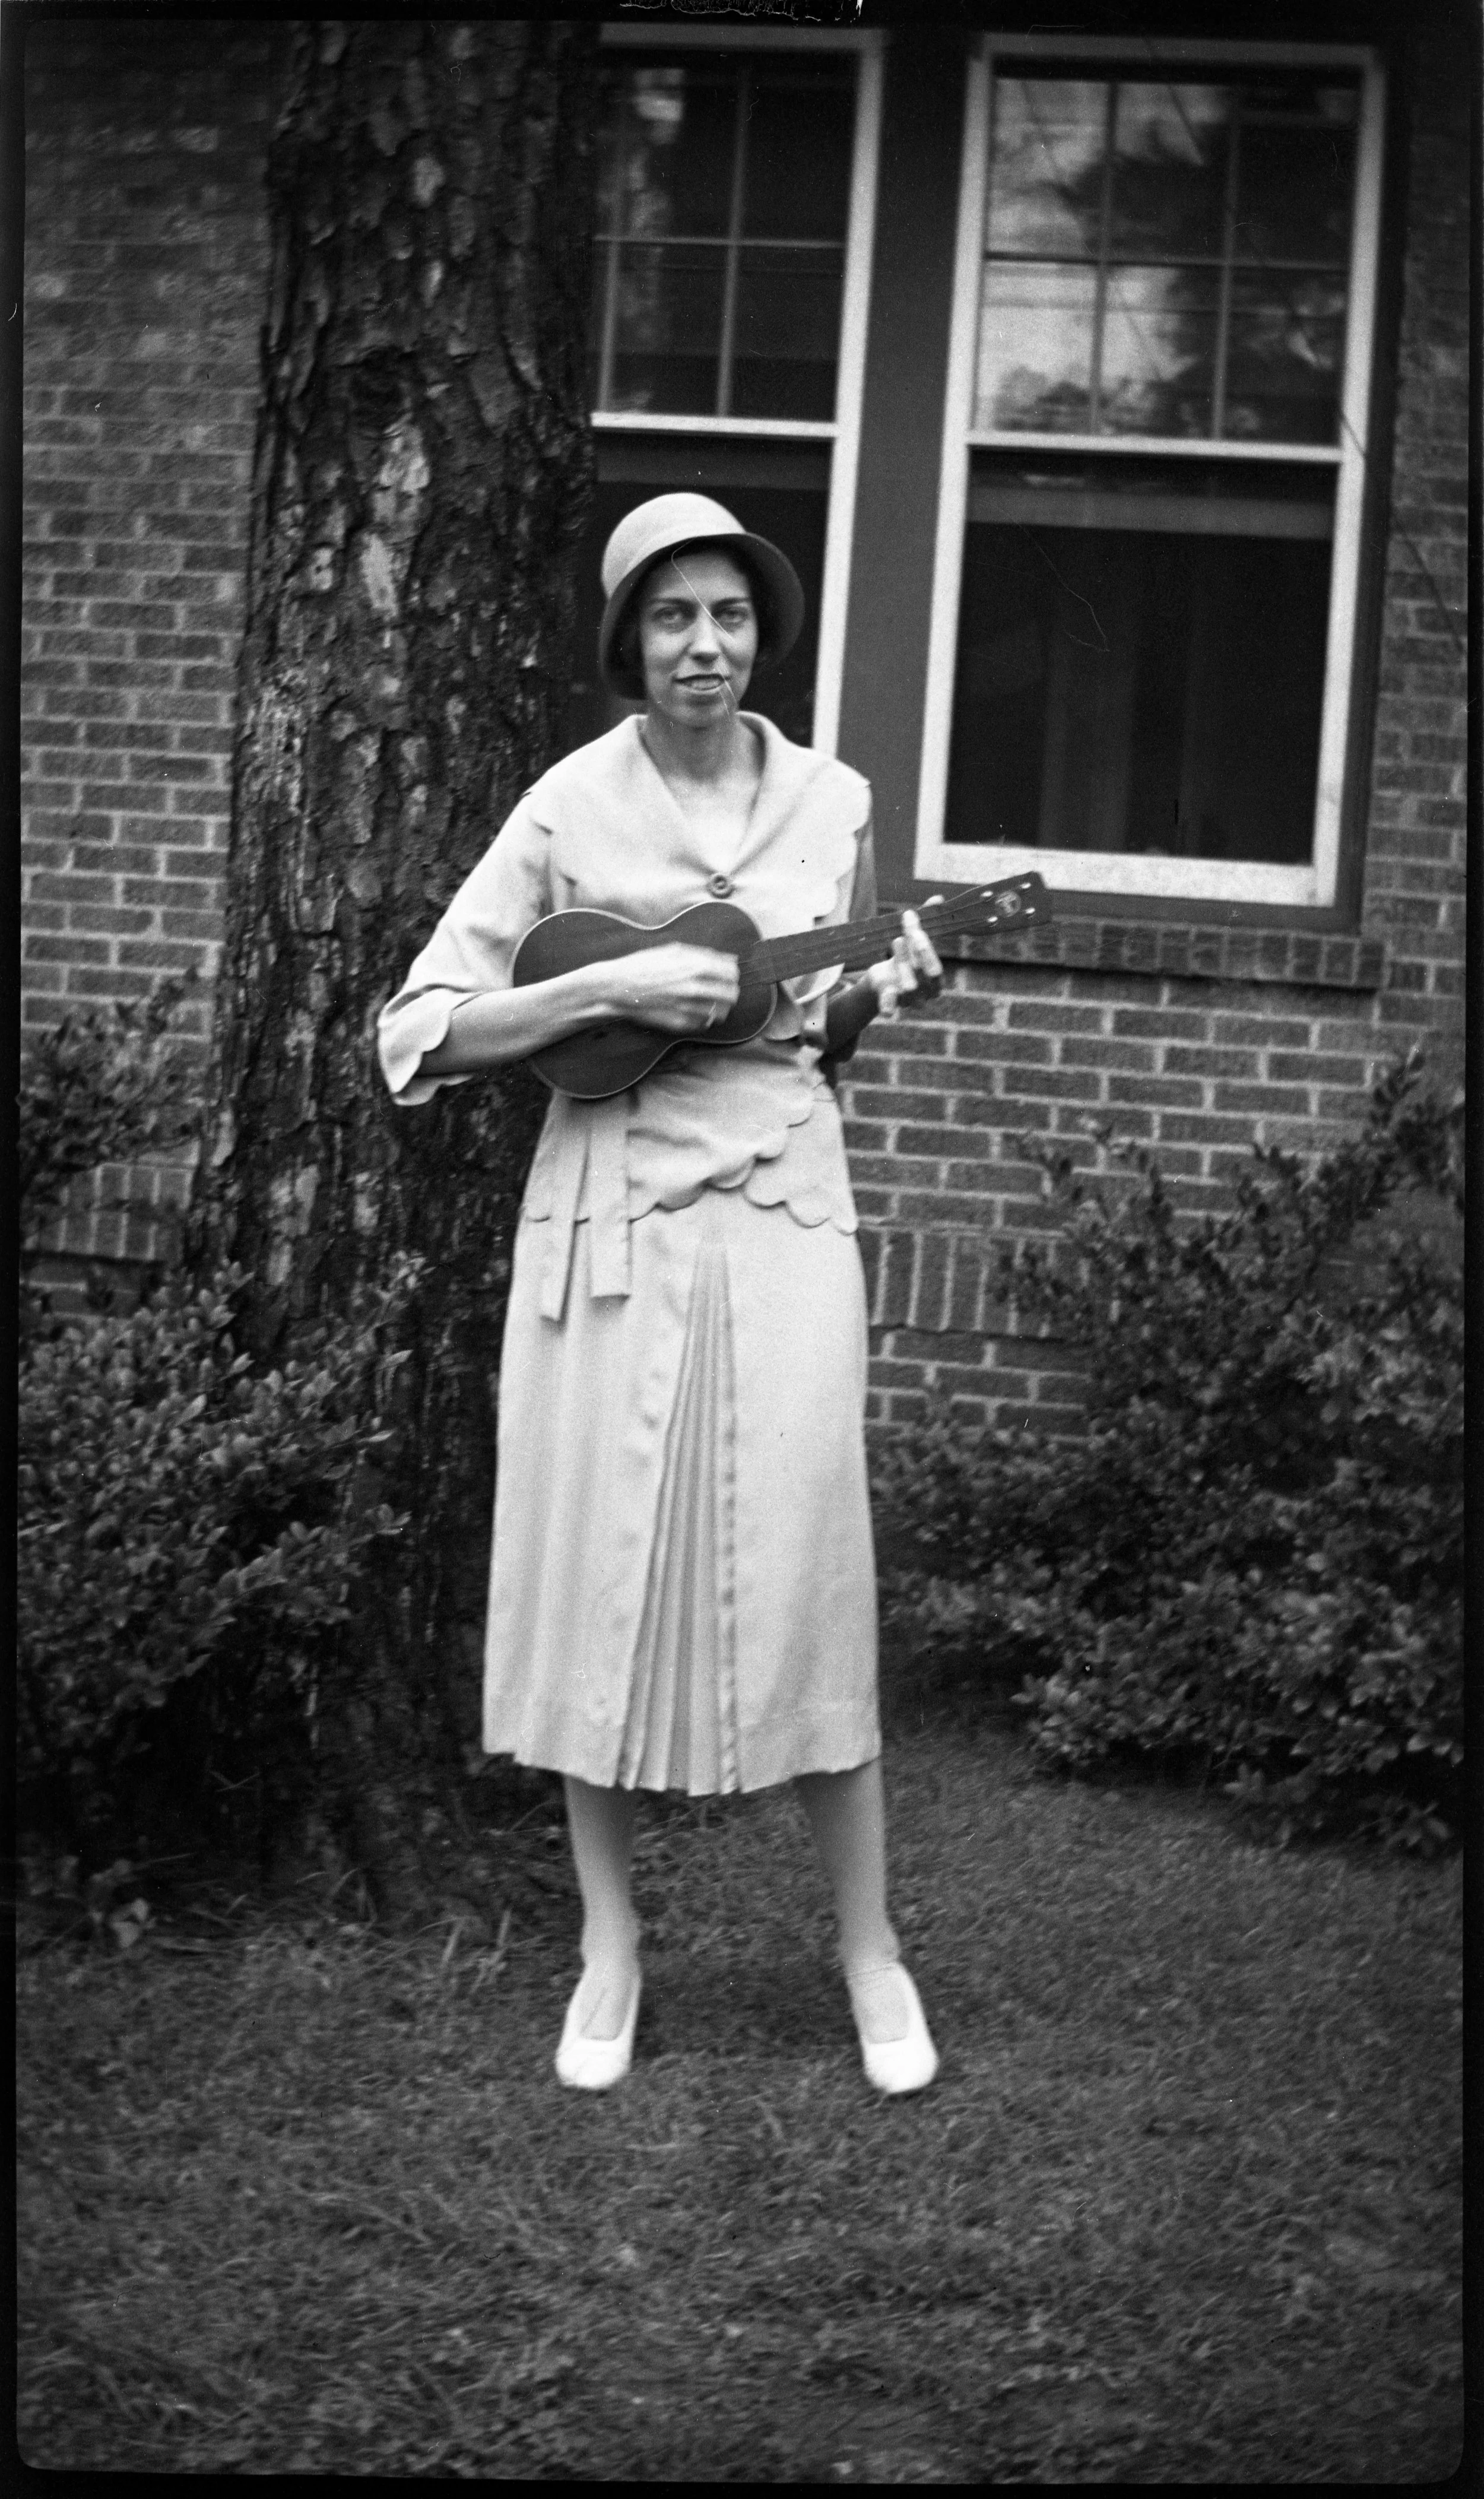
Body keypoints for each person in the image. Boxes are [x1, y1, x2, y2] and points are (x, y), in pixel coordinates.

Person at [377, 493, 943, 2095]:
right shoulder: (566, 804)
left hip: (782, 1205)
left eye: (732, 616)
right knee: (598, 1573)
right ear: (631, 638)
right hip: (611, 1215)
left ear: (763, 636)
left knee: (810, 1565)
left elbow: (817, 1025)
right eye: (675, 617)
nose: (706, 646)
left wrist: (875, 994)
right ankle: (609, 1946)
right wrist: (612, 982)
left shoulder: (833, 802)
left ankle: (870, 1949)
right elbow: (418, 1029)